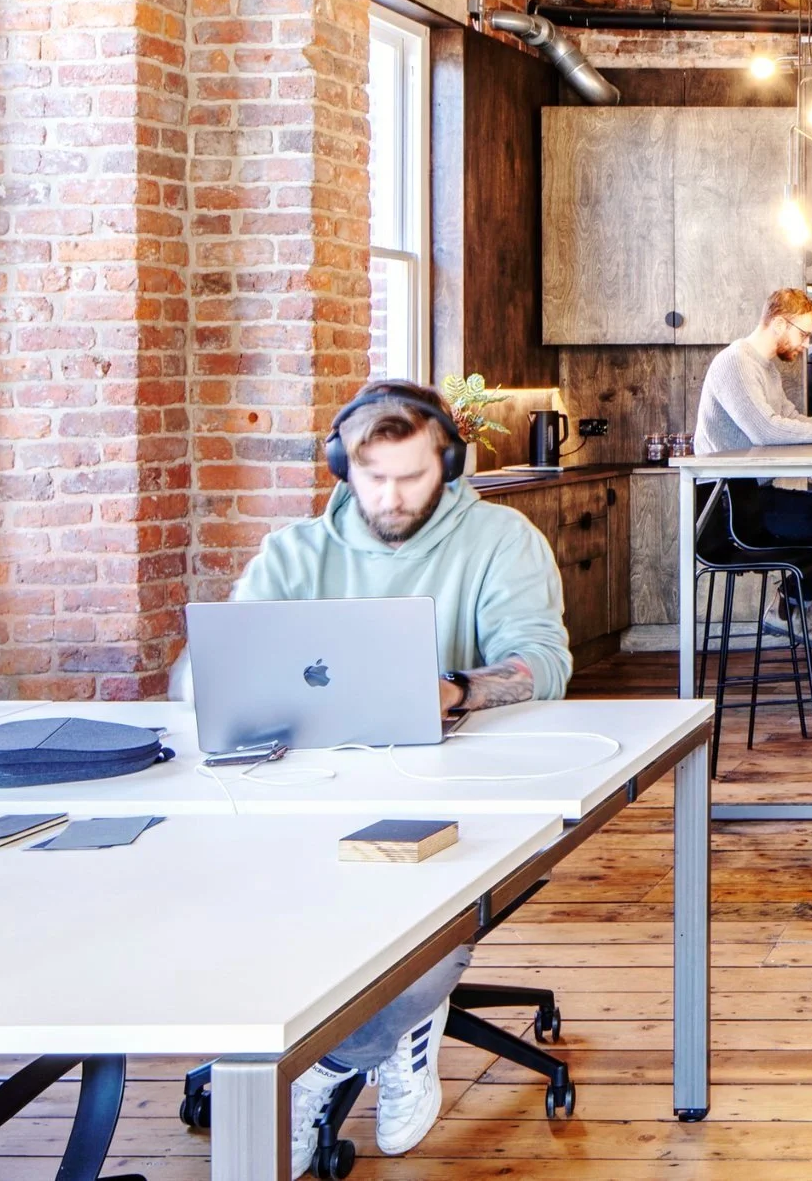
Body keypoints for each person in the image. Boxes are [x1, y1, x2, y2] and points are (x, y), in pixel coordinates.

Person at [183, 379, 572, 1175]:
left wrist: (459, 689)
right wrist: (208, 681)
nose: (391, 496)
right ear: (341, 466)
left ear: (449, 464)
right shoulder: (294, 552)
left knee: (425, 884)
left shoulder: (501, 539)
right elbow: (209, 669)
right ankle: (387, 1036)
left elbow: (544, 660)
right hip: (300, 790)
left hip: (457, 787)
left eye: (412, 476)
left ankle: (321, 1067)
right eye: (374, 477)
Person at [694, 288, 812, 555]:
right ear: (778, 323)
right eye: (803, 334)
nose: (807, 344)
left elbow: (790, 418)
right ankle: (794, 595)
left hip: (754, 496)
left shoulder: (767, 368)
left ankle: (794, 593)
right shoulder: (736, 362)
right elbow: (766, 431)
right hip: (730, 505)